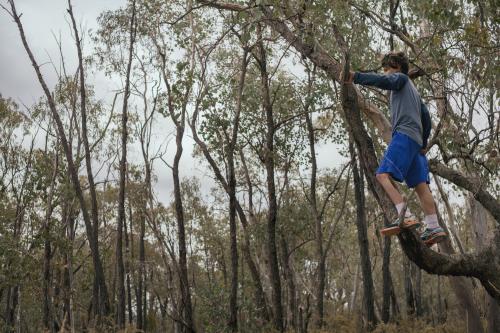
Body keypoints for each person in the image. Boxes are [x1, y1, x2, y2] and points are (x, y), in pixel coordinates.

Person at [346, 51, 446, 245]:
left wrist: (355, 77)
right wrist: (423, 143)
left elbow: (385, 82)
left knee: (382, 175)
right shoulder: (414, 93)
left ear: (398, 68)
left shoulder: (400, 79)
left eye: (387, 69)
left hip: (404, 136)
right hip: (415, 141)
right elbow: (426, 118)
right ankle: (434, 227)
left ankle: (404, 214)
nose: (385, 73)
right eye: (383, 70)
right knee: (420, 186)